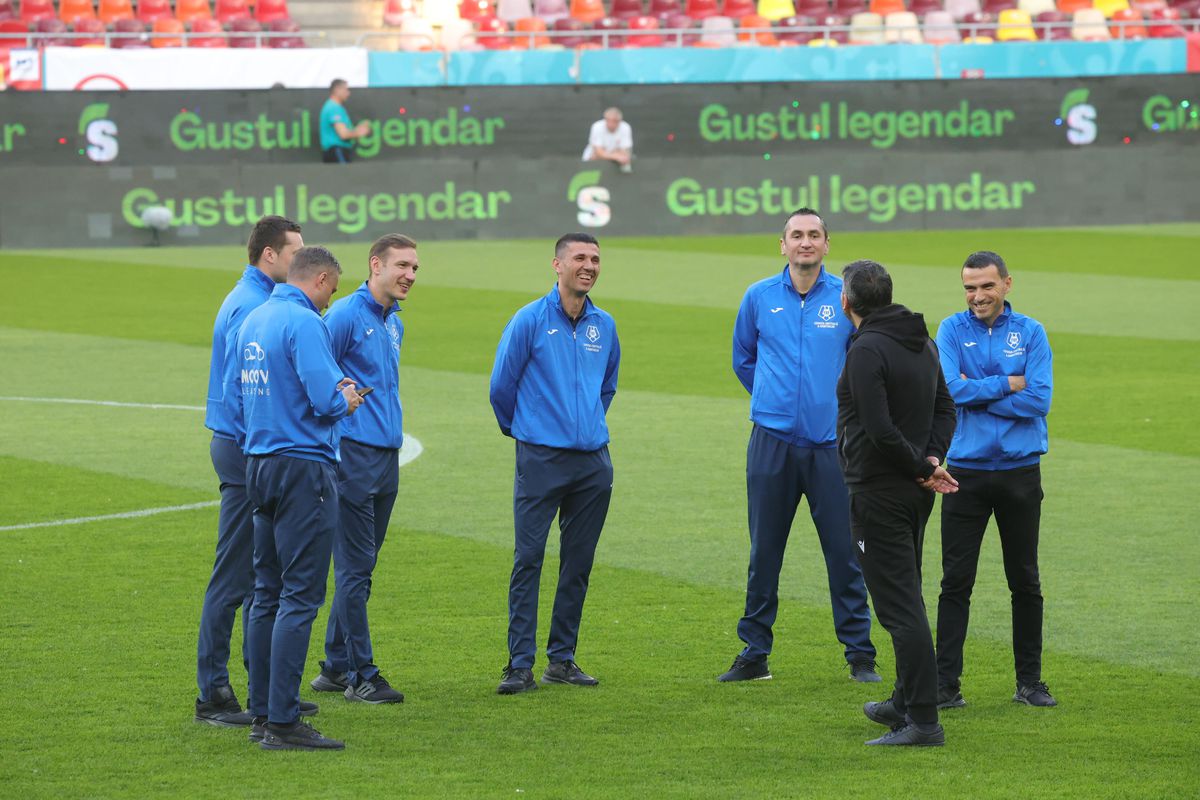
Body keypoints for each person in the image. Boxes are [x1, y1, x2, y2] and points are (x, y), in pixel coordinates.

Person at [719, 208, 879, 684]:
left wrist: (832, 411)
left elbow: (865, 363)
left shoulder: (847, 299)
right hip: (771, 442)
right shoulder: (759, 296)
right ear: (782, 244)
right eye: (796, 235)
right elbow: (743, 358)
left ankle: (859, 655)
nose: (805, 242)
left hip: (834, 447)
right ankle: (754, 652)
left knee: (845, 552)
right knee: (764, 551)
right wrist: (774, 401)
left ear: (827, 244)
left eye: (814, 235)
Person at [236, 245, 364, 750]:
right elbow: (325, 399)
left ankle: (263, 712)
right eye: (332, 288)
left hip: (260, 463)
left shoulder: (255, 318)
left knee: (265, 592)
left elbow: (241, 394)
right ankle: (284, 723)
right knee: (300, 595)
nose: (331, 300)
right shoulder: (304, 322)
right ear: (323, 278)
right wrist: (348, 398)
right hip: (302, 469)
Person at [488, 232, 621, 695]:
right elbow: (501, 388)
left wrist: (584, 425)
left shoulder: (604, 325)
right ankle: (519, 664)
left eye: (595, 259)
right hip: (541, 458)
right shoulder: (528, 320)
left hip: (593, 463)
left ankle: (561, 660)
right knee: (529, 559)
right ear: (557, 265)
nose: (589, 266)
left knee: (578, 563)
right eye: (580, 258)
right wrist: (528, 431)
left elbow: (608, 385)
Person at [195, 215, 313, 728]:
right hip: (246, 450)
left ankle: (263, 685)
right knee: (238, 574)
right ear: (270, 255)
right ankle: (214, 692)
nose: (303, 262)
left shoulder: (251, 298)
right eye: (295, 253)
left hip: (247, 448)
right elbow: (240, 388)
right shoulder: (252, 305)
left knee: (263, 574)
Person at [836, 259, 958, 747]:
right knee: (909, 595)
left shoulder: (866, 350)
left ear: (846, 302)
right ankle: (905, 701)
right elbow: (944, 409)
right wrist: (930, 458)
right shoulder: (922, 342)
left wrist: (924, 466)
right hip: (912, 492)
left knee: (899, 607)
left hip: (880, 492)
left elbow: (879, 429)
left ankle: (923, 721)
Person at [934, 251, 1056, 710]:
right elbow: (948, 390)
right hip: (963, 473)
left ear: (1007, 283)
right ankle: (946, 686)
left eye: (986, 286)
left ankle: (1029, 683)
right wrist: (1009, 383)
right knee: (955, 582)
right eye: (969, 287)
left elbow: (1039, 400)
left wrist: (978, 389)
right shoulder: (950, 329)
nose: (977, 296)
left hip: (1019, 472)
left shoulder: (1031, 331)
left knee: (1024, 580)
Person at [309, 234, 419, 705]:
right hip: (353, 457)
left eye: (415, 268)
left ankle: (335, 665)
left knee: (364, 566)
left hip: (384, 458)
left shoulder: (392, 320)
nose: (410, 275)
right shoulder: (345, 316)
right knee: (354, 568)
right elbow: (311, 371)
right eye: (402, 266)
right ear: (375, 265)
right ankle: (362, 674)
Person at [320, 79, 370, 164]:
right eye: (346, 90)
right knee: (344, 177)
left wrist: (357, 130)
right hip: (336, 151)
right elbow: (343, 134)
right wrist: (359, 132)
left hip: (337, 151)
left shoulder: (336, 107)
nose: (348, 93)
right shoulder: (333, 108)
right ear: (337, 90)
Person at [582, 107, 633, 173]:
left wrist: (619, 156)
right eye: (608, 120)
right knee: (594, 156)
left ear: (619, 121)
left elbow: (625, 152)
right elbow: (598, 152)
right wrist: (616, 156)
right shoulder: (597, 126)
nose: (610, 124)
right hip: (592, 160)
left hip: (614, 162)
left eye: (614, 121)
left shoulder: (626, 127)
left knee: (625, 158)